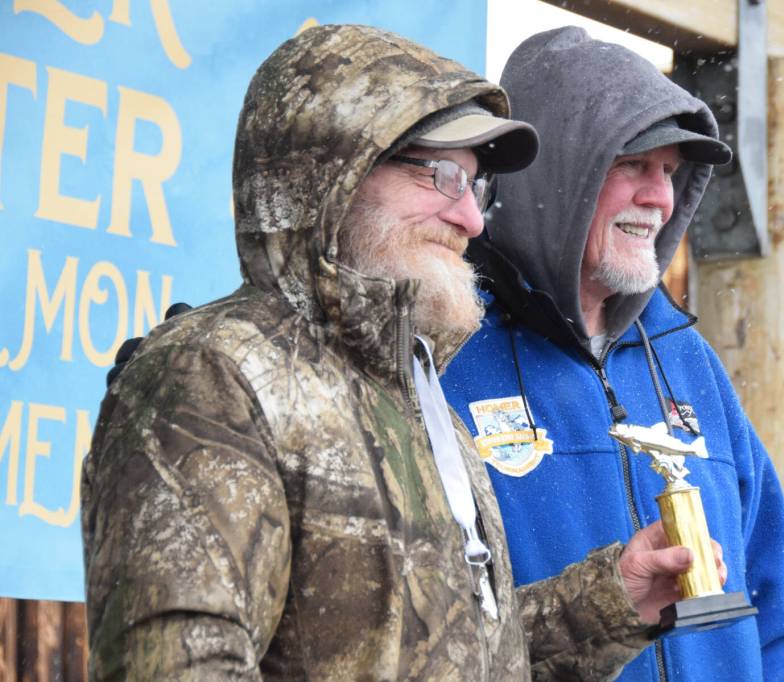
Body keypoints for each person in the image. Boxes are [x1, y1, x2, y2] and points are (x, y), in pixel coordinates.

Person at [81, 25, 719, 681]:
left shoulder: (411, 385)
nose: (472, 221)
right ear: (335, 175)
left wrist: (608, 603)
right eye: (443, 176)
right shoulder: (216, 375)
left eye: (477, 189)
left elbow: (456, 657)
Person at [440, 27, 784, 680]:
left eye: (671, 172)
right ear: (553, 174)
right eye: (634, 165)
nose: (661, 198)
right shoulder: (443, 362)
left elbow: (770, 610)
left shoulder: (689, 360)